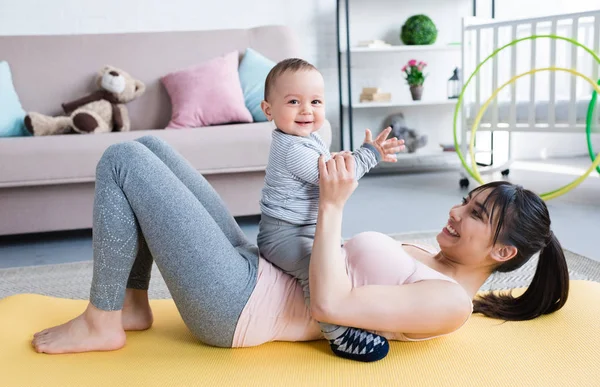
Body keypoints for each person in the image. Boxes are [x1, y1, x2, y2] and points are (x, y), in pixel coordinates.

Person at [31, 136, 569, 358]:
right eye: (466, 201)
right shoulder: (428, 256)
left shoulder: (449, 303)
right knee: (149, 147)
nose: (455, 212)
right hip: (254, 268)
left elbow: (330, 306)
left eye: (475, 215)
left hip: (240, 307)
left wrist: (334, 205)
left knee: (123, 161)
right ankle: (129, 303)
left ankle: (101, 321)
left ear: (502, 253)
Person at [256, 58, 403, 362]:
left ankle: (349, 306)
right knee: (317, 272)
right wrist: (369, 155)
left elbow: (328, 159)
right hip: (284, 235)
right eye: (294, 101)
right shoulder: (292, 149)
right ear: (268, 109)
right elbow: (334, 177)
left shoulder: (306, 137)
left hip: (305, 228)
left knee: (339, 263)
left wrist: (345, 155)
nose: (306, 110)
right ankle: (337, 333)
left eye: (315, 101)